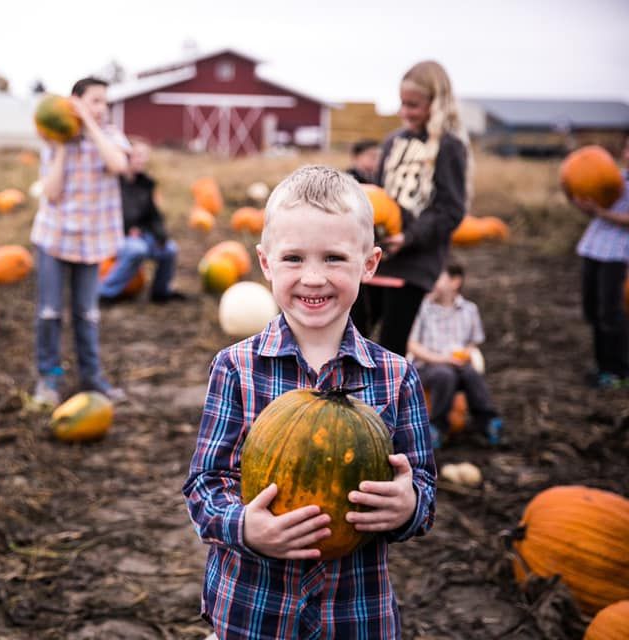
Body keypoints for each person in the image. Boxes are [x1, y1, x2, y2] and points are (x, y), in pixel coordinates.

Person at [183, 165, 436, 639]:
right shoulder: (237, 367)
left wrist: (407, 506)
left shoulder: (397, 376)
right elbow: (204, 484)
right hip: (253, 610)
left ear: (370, 263)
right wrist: (245, 526)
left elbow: (422, 486)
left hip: (354, 613)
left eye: (335, 259)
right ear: (265, 263)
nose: (313, 278)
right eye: (294, 258)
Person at [351, 60, 470, 357]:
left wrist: (409, 237)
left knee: (392, 346)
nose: (405, 112)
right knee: (352, 335)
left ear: (436, 103)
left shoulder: (449, 147)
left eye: (414, 105)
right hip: (379, 256)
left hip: (415, 262)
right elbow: (378, 196)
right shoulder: (393, 141)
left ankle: (388, 401)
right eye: (402, 103)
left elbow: (450, 210)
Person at [30, 77, 130, 405]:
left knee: (87, 314)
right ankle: (50, 379)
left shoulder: (111, 137)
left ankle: (92, 379)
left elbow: (118, 164)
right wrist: (62, 145)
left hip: (92, 242)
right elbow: (53, 192)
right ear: (75, 102)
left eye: (105, 102)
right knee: (49, 313)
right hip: (55, 238)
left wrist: (89, 124)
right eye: (95, 101)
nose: (102, 108)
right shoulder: (55, 141)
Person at [407, 262, 503, 447]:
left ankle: (487, 420)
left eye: (438, 277)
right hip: (429, 365)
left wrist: (464, 354)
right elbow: (412, 345)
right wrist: (443, 359)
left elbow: (473, 342)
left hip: (458, 364)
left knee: (471, 374)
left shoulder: (469, 310)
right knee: (444, 374)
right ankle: (437, 425)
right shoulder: (423, 309)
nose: (432, 282)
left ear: (455, 282)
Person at [568, 137, 629, 389]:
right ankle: (601, 364)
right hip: (593, 247)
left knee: (610, 312)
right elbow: (596, 209)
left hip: (617, 253)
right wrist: (581, 204)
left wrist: (601, 213)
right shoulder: (614, 178)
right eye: (627, 148)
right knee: (591, 309)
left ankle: (618, 370)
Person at [98, 137, 186, 304]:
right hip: (116, 235)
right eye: (137, 155)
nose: (142, 160)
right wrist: (129, 229)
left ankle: (161, 292)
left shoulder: (146, 184)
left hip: (142, 235)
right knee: (136, 250)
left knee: (169, 249)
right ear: (126, 156)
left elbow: (153, 216)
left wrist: (160, 235)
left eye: (143, 156)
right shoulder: (113, 183)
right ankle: (106, 293)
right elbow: (110, 214)